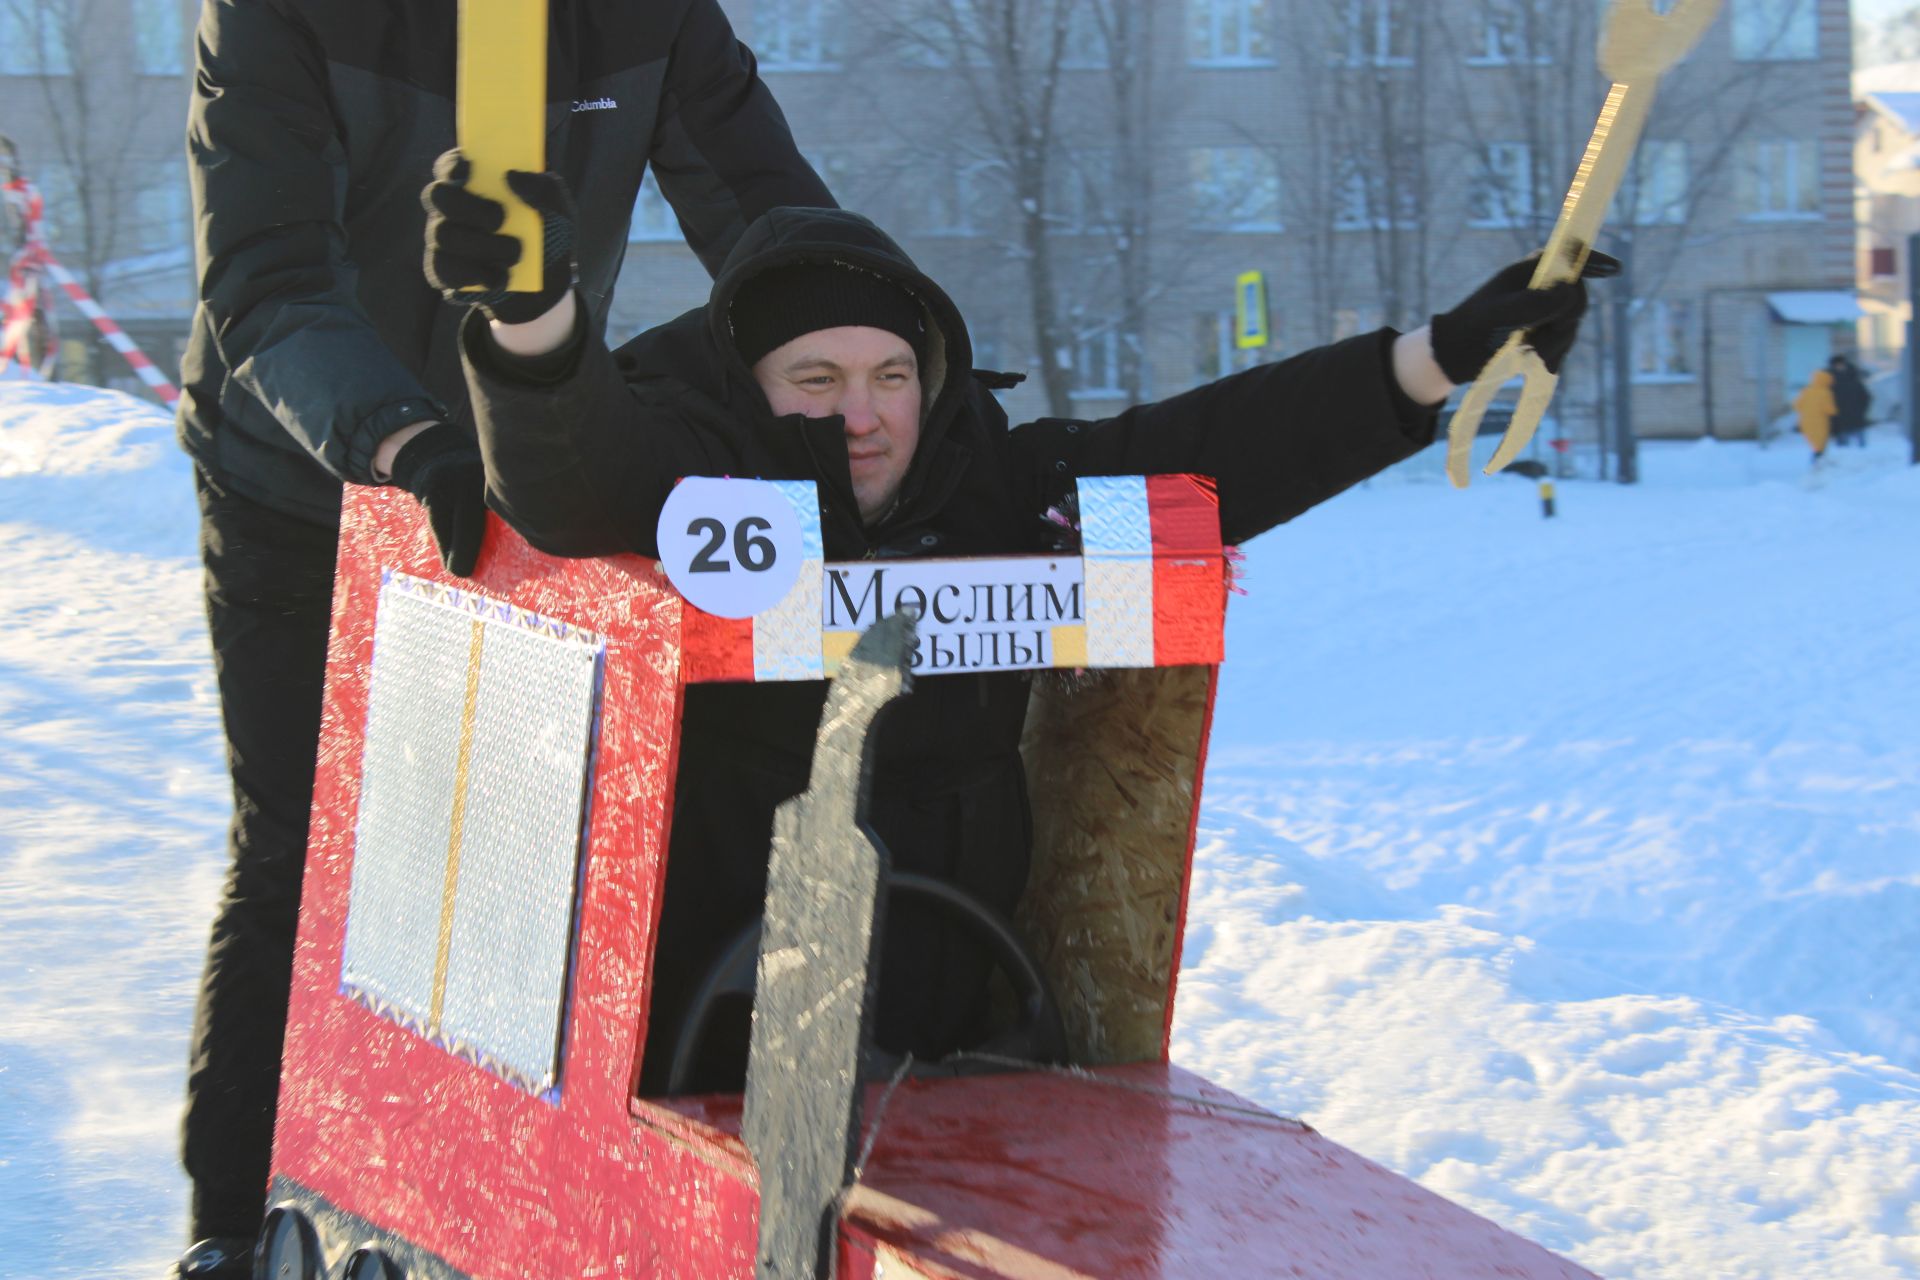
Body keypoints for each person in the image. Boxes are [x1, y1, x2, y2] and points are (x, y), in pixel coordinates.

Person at [420, 162, 1613, 1098]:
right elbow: (578, 474)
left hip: (962, 1035)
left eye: (892, 374)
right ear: (750, 386)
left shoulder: (994, 485)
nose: (866, 415)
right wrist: (534, 324)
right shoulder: (698, 479)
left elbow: (1213, 456)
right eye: (817, 380)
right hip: (708, 1042)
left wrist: (1439, 358)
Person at [171, 2, 836, 1274]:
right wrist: (398, 439)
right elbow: (265, 280)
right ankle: (227, 1225)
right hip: (300, 472)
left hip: (517, 464)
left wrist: (888, 358)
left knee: (525, 863)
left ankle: (465, 1206)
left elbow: (771, 224)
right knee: (312, 845)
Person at [1793, 365, 1836, 463]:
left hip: (1805, 422)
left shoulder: (1806, 391)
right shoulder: (1825, 393)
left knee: (1814, 443)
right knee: (1820, 444)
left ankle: (1817, 460)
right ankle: (1818, 463)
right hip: (1820, 422)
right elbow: (1830, 409)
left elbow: (1797, 405)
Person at [1828, 354, 1872, 448]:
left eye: (1841, 364)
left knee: (1860, 444)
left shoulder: (1853, 377)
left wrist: (1861, 409)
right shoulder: (1829, 381)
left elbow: (1865, 396)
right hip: (1839, 417)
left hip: (1855, 414)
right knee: (1842, 445)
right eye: (1836, 365)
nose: (1839, 367)